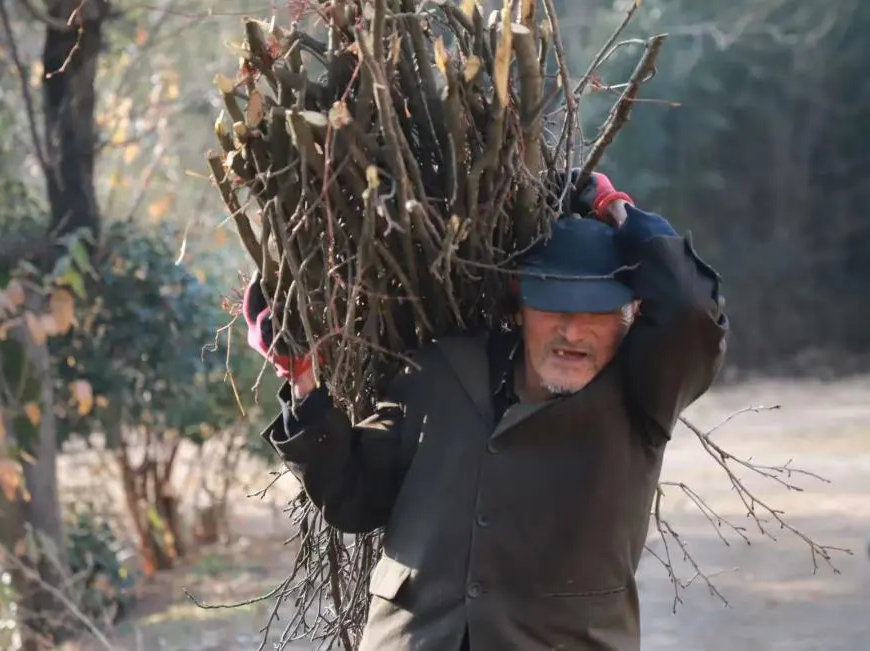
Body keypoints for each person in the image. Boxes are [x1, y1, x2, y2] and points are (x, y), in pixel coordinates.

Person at [242, 171, 729, 651]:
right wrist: (302, 380)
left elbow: (689, 306)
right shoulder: (438, 371)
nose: (572, 332)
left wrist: (618, 210)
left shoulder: (642, 395)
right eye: (554, 307)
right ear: (520, 307)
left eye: (597, 314)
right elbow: (354, 500)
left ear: (631, 317)